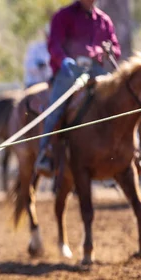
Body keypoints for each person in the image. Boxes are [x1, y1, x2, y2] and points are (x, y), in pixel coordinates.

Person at [35, 0, 120, 176]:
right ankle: (46, 151)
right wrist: (63, 60)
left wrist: (108, 51)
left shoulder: (104, 20)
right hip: (69, 70)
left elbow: (115, 48)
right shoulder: (63, 16)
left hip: (97, 70)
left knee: (118, 102)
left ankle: (121, 154)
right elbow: (54, 44)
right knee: (56, 107)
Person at [23, 24, 53, 89]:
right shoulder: (35, 48)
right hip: (33, 84)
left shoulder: (59, 49)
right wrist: (41, 65)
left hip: (50, 85)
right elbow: (29, 66)